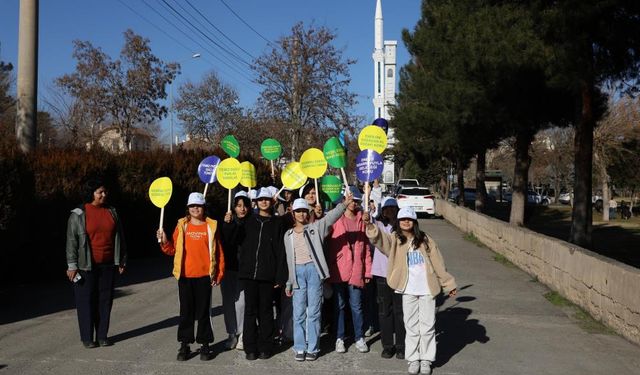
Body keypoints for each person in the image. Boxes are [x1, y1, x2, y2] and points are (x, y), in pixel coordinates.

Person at [363, 206, 457, 375]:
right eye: (403, 219)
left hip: (427, 289)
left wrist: (448, 283)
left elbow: (438, 263)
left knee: (427, 326)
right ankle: (413, 359)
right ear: (398, 222)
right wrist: (370, 226)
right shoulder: (394, 239)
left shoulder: (425, 239)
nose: (406, 222)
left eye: (409, 219)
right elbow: (379, 239)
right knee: (411, 327)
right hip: (407, 289)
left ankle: (426, 359)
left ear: (414, 222)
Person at [284, 193, 353, 361]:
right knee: (299, 312)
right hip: (297, 274)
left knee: (314, 312)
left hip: (314, 272)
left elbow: (332, 217)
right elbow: (288, 260)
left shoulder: (316, 228)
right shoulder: (288, 235)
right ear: (293, 213)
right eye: (298, 211)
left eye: (304, 211)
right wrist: (289, 282)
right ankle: (300, 347)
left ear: (309, 213)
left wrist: (344, 204)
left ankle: (313, 347)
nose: (301, 214)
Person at [157, 192, 225, 361]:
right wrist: (164, 241)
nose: (196, 208)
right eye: (192, 206)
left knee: (203, 312)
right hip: (185, 276)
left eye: (199, 206)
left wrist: (219, 273)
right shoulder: (182, 226)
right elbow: (173, 250)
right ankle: (185, 345)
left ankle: (205, 345)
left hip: (204, 277)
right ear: (188, 208)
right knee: (186, 312)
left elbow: (219, 252)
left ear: (204, 208)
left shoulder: (211, 226)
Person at [66, 178, 127, 348]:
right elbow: (71, 242)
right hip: (85, 266)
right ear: (91, 193)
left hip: (107, 265)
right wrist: (71, 266)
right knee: (86, 302)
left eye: (105, 191)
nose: (104, 195)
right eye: (100, 192)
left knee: (105, 300)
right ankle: (87, 338)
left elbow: (120, 237)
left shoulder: (112, 212)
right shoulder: (78, 214)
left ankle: (102, 336)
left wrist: (122, 259)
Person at [231, 187, 288, 360]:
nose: (264, 201)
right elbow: (234, 239)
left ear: (272, 201)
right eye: (261, 199)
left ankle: (266, 346)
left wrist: (280, 275)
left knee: (266, 311)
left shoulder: (277, 223)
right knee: (250, 311)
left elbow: (281, 251)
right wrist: (231, 222)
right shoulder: (248, 221)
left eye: (267, 199)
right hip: (249, 274)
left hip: (267, 275)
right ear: (256, 202)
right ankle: (250, 347)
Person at [327, 189, 372, 354]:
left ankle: (359, 337)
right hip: (339, 269)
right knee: (339, 305)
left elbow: (366, 247)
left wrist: (367, 271)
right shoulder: (336, 219)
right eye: (352, 200)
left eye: (358, 201)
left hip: (357, 270)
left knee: (356, 305)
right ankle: (340, 338)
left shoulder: (363, 220)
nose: (355, 203)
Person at [370, 197, 405, 359]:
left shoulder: (403, 226)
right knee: (385, 311)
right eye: (386, 208)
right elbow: (369, 227)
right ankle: (387, 346)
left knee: (400, 311)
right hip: (381, 274)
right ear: (382, 210)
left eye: (392, 208)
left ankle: (401, 345)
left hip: (398, 273)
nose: (389, 211)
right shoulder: (378, 225)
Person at [221, 191, 251, 350]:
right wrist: (228, 224)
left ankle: (242, 334)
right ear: (233, 207)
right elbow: (226, 240)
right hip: (228, 268)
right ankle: (231, 333)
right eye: (239, 206)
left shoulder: (251, 222)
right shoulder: (227, 222)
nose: (242, 209)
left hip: (244, 269)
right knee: (228, 303)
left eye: (245, 205)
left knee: (241, 303)